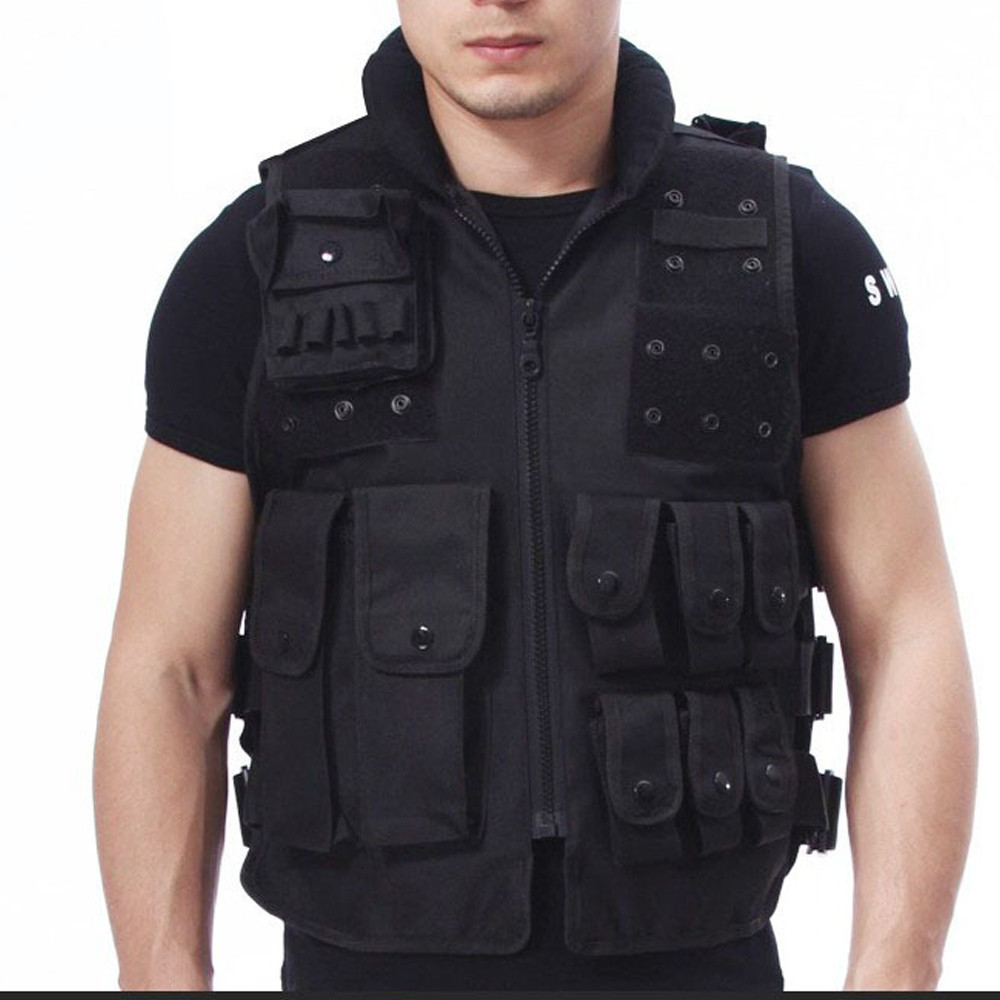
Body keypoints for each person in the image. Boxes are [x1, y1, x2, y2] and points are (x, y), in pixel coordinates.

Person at [93, 0, 976, 991]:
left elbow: (904, 625)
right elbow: (170, 668)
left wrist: (896, 969)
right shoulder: (254, 267)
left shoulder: (785, 249)